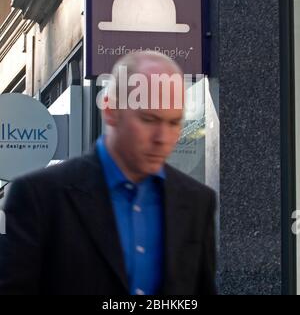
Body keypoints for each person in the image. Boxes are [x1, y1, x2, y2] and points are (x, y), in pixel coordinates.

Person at [0, 51, 217, 295]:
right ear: (110, 111)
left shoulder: (198, 201)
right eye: (148, 119)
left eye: (173, 122)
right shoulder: (39, 196)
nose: (162, 138)